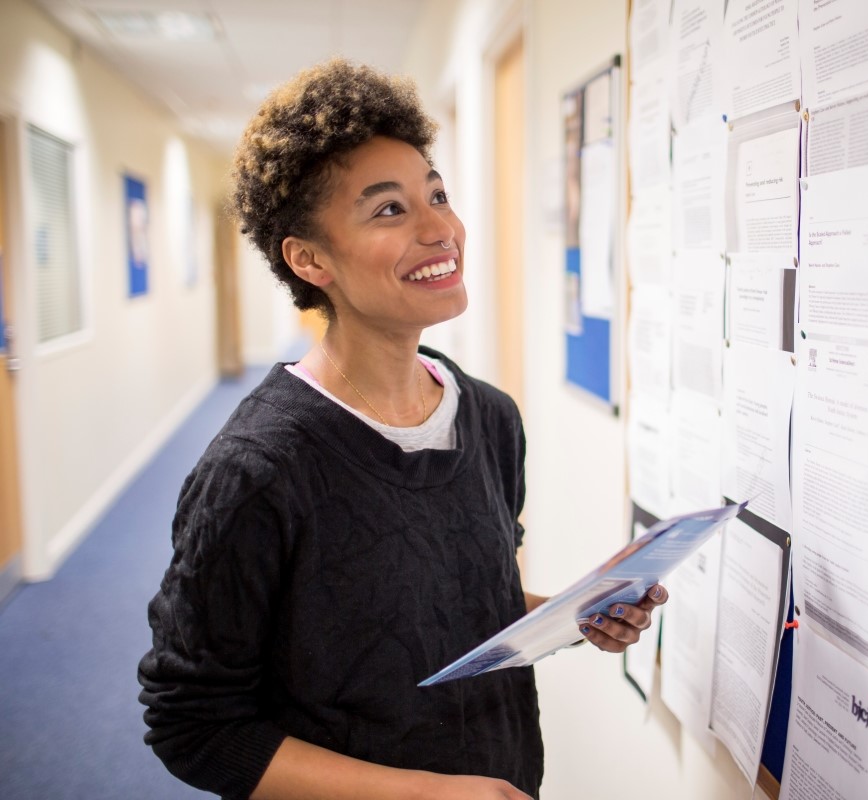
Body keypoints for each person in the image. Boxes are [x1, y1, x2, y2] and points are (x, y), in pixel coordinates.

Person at [137, 58, 668, 800]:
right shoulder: (258, 470)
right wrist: (431, 793)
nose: (440, 229)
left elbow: (458, 606)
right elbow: (194, 726)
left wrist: (574, 615)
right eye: (389, 210)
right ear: (309, 258)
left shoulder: (488, 417)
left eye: (437, 195)